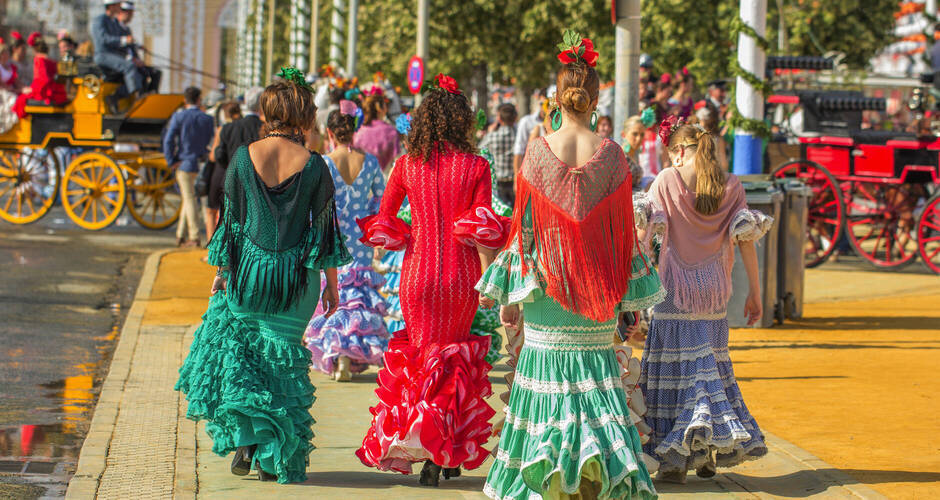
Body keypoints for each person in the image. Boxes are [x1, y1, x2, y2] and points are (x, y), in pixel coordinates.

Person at [478, 32, 662, 500]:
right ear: (596, 98)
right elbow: (623, 237)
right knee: (596, 392)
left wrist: (511, 300)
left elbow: (524, 232)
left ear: (556, 99)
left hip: (545, 292)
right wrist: (627, 303)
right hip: (597, 296)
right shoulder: (615, 156)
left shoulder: (537, 154)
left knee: (548, 396)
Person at [175, 71, 351, 483]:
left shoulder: (243, 157)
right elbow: (325, 228)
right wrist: (333, 287)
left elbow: (231, 223)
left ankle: (247, 439)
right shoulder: (315, 166)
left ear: (268, 112)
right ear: (304, 116)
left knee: (246, 360)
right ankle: (274, 459)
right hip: (296, 282)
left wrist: (222, 273)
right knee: (281, 367)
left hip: (248, 276)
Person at [355, 73, 507, 486]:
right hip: (461, 277)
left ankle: (426, 447)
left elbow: (385, 219)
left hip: (417, 273)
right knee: (454, 362)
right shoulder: (477, 166)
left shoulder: (406, 166)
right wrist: (495, 283)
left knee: (424, 361)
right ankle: (444, 454)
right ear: (463, 124)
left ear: (422, 122)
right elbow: (482, 230)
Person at [637, 122, 771, 484]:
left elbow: (643, 232)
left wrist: (631, 285)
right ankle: (703, 448)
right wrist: (756, 294)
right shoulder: (731, 186)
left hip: (674, 291)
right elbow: (746, 242)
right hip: (713, 293)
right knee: (707, 367)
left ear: (680, 151)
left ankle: (674, 459)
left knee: (676, 375)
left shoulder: (667, 179)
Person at [304, 110, 390, 381]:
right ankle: (350, 354)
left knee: (334, 292)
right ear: (354, 131)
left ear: (329, 133)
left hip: (333, 238)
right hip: (362, 238)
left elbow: (314, 205)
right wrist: (375, 232)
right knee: (357, 297)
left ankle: (338, 353)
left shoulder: (324, 163)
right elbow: (381, 201)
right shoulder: (371, 162)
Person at [162, 87, 214, 247]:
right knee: (191, 198)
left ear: (185, 100)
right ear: (199, 100)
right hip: (202, 162)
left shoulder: (179, 117)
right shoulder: (207, 119)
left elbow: (168, 140)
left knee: (189, 198)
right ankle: (180, 234)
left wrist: (171, 161)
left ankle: (194, 236)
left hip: (184, 163)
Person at [91, 0, 144, 104]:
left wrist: (133, 45)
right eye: (118, 5)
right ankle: (137, 97)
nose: (120, 7)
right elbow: (103, 39)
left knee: (141, 70)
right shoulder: (100, 20)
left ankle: (121, 95)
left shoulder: (113, 22)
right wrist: (123, 40)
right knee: (129, 66)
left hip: (113, 55)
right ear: (111, 6)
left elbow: (119, 42)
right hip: (103, 55)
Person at [204, 101, 242, 242]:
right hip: (238, 175)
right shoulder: (245, 127)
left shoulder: (223, 129)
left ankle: (211, 247)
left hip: (221, 172)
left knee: (211, 210)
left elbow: (214, 156)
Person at [12, 33, 68, 119]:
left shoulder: (39, 60)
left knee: (20, 100)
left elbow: (42, 80)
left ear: (35, 49)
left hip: (44, 92)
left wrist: (32, 90)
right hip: (52, 90)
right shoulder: (50, 60)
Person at [116, 1, 161, 94]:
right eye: (130, 13)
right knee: (141, 76)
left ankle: (151, 94)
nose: (131, 17)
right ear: (123, 12)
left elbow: (130, 45)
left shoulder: (126, 29)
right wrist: (132, 59)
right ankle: (140, 98)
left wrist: (139, 46)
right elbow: (116, 47)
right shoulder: (115, 27)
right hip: (123, 62)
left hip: (133, 61)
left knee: (156, 72)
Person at [478, 102, 517, 207]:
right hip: (516, 181)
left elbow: (479, 151)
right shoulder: (519, 136)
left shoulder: (492, 137)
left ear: (499, 119)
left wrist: (488, 133)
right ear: (515, 118)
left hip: (498, 182)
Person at [352, 88, 400, 172]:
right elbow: (397, 161)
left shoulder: (358, 132)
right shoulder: (390, 131)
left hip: (363, 178)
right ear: (380, 108)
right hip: (385, 177)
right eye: (385, 104)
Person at [0, 38, 19, 134]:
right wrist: (10, 89)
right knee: (13, 99)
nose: (8, 54)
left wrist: (22, 89)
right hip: (2, 92)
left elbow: (16, 81)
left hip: (10, 90)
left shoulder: (10, 66)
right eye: (6, 52)